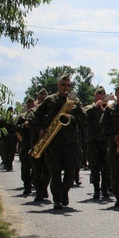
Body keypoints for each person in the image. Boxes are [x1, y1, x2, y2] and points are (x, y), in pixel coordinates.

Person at [33, 75, 85, 210]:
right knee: (54, 172)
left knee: (70, 172)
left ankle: (64, 192)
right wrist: (41, 129)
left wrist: (71, 118)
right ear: (58, 85)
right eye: (63, 84)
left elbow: (83, 118)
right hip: (53, 142)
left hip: (71, 143)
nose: (66, 88)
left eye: (68, 85)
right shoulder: (50, 100)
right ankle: (57, 199)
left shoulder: (75, 102)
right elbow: (36, 115)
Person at [84, 86, 111, 200]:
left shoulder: (108, 108)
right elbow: (83, 115)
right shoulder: (89, 108)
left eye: (103, 95)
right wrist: (95, 107)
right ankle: (96, 189)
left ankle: (105, 188)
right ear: (95, 96)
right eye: (99, 95)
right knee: (95, 167)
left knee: (107, 167)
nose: (101, 97)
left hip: (106, 141)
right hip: (93, 141)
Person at [29, 88, 51, 202]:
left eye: (44, 98)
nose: (42, 100)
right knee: (37, 168)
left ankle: (44, 188)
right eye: (40, 98)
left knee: (47, 168)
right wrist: (40, 129)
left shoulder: (51, 109)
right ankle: (38, 191)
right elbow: (31, 121)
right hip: (36, 141)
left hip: (48, 142)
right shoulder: (33, 110)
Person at [15, 97, 36, 195]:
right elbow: (16, 128)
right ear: (26, 105)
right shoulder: (22, 116)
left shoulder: (38, 115)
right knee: (25, 168)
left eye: (32, 103)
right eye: (29, 103)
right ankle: (27, 186)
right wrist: (24, 126)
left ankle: (37, 186)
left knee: (37, 167)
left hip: (36, 144)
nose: (31, 105)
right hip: (26, 144)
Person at [0, 106, 18, 172]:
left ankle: (10, 164)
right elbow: (0, 128)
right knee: (6, 152)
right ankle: (7, 164)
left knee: (12, 152)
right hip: (6, 138)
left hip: (13, 138)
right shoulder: (3, 119)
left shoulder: (14, 119)